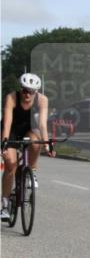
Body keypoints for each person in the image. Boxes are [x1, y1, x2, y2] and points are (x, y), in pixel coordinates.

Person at [2, 73, 55, 220]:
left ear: (36, 92)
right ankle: (4, 205)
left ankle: (31, 170)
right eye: (25, 90)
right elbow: (7, 123)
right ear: (21, 89)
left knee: (36, 142)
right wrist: (4, 143)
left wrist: (48, 145)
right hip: (12, 129)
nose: (27, 94)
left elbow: (42, 125)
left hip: (29, 128)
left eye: (31, 91)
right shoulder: (12, 97)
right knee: (10, 165)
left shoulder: (42, 100)